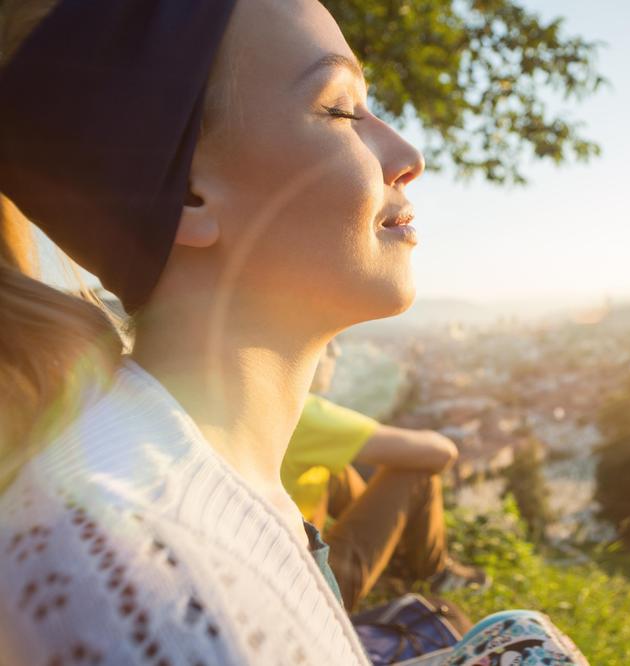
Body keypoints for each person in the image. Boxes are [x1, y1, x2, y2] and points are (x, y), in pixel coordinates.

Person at [0, 0, 423, 663]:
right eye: (342, 109)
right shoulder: (140, 592)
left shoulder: (207, 492)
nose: (405, 154)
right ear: (190, 194)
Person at [282, 341, 487, 612]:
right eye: (328, 342)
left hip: (284, 573)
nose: (337, 351)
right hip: (317, 594)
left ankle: (396, 556)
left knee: (334, 469)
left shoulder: (261, 408)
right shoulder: (303, 414)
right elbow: (441, 453)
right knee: (414, 475)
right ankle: (435, 574)